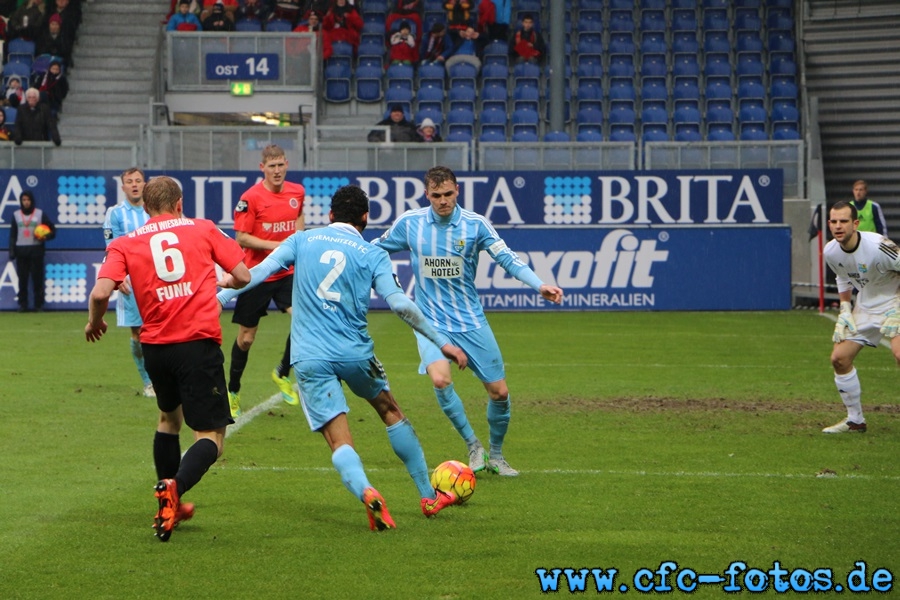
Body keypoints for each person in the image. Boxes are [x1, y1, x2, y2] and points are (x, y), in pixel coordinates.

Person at [216, 184, 466, 530]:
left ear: (330, 215)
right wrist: (443, 343)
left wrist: (219, 298)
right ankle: (427, 495)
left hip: (309, 358)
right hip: (356, 353)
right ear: (365, 217)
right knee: (390, 410)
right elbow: (400, 304)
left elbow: (254, 273)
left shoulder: (302, 240)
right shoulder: (371, 253)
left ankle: (366, 490)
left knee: (339, 439)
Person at [85, 176, 251, 542]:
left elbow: (100, 292)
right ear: (179, 204)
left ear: (144, 208)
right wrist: (224, 283)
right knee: (212, 437)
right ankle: (173, 490)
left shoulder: (127, 243)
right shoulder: (203, 228)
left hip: (156, 349)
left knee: (168, 419)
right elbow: (242, 274)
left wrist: (95, 322)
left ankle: (166, 504)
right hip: (197, 344)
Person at [373, 166, 564, 476]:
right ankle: (473, 446)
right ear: (427, 195)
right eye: (436, 196)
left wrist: (539, 284)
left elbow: (507, 258)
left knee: (499, 393)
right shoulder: (410, 224)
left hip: (470, 319)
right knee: (440, 379)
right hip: (429, 321)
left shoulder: (476, 225)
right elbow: (375, 250)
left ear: (457, 191)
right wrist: (384, 278)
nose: (443, 201)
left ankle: (497, 457)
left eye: (448, 194)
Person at [227, 144, 305, 417]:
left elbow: (297, 219)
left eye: (280, 165)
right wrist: (278, 246)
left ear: (286, 164)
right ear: (262, 168)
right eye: (271, 166)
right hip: (256, 274)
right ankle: (233, 391)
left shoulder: (297, 192)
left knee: (303, 320)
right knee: (246, 339)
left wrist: (297, 239)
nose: (277, 170)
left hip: (286, 273)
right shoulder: (250, 198)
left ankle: (282, 372)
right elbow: (242, 238)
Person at [823, 201, 900, 434]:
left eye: (844, 221)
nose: (838, 226)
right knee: (839, 358)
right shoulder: (830, 251)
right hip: (865, 306)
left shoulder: (879, 246)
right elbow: (842, 275)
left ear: (855, 223)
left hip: (894, 303)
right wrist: (845, 307)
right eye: (834, 221)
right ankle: (855, 421)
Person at [102, 168, 156, 397]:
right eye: (129, 181)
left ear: (145, 184)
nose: (134, 185)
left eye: (138, 181)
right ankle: (148, 382)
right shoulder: (114, 214)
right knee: (139, 333)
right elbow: (111, 248)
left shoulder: (155, 211)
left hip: (157, 279)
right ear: (123, 187)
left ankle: (164, 376)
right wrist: (117, 276)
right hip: (130, 282)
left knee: (160, 330)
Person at [9, 190, 55, 312]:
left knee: (37, 279)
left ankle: (38, 305)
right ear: (21, 201)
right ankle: (23, 305)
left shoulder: (40, 214)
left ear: (32, 201)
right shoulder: (16, 215)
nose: (26, 202)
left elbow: (52, 230)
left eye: (28, 200)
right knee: (22, 279)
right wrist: (12, 250)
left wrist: (46, 236)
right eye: (24, 200)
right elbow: (13, 234)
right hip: (21, 250)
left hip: (36, 250)